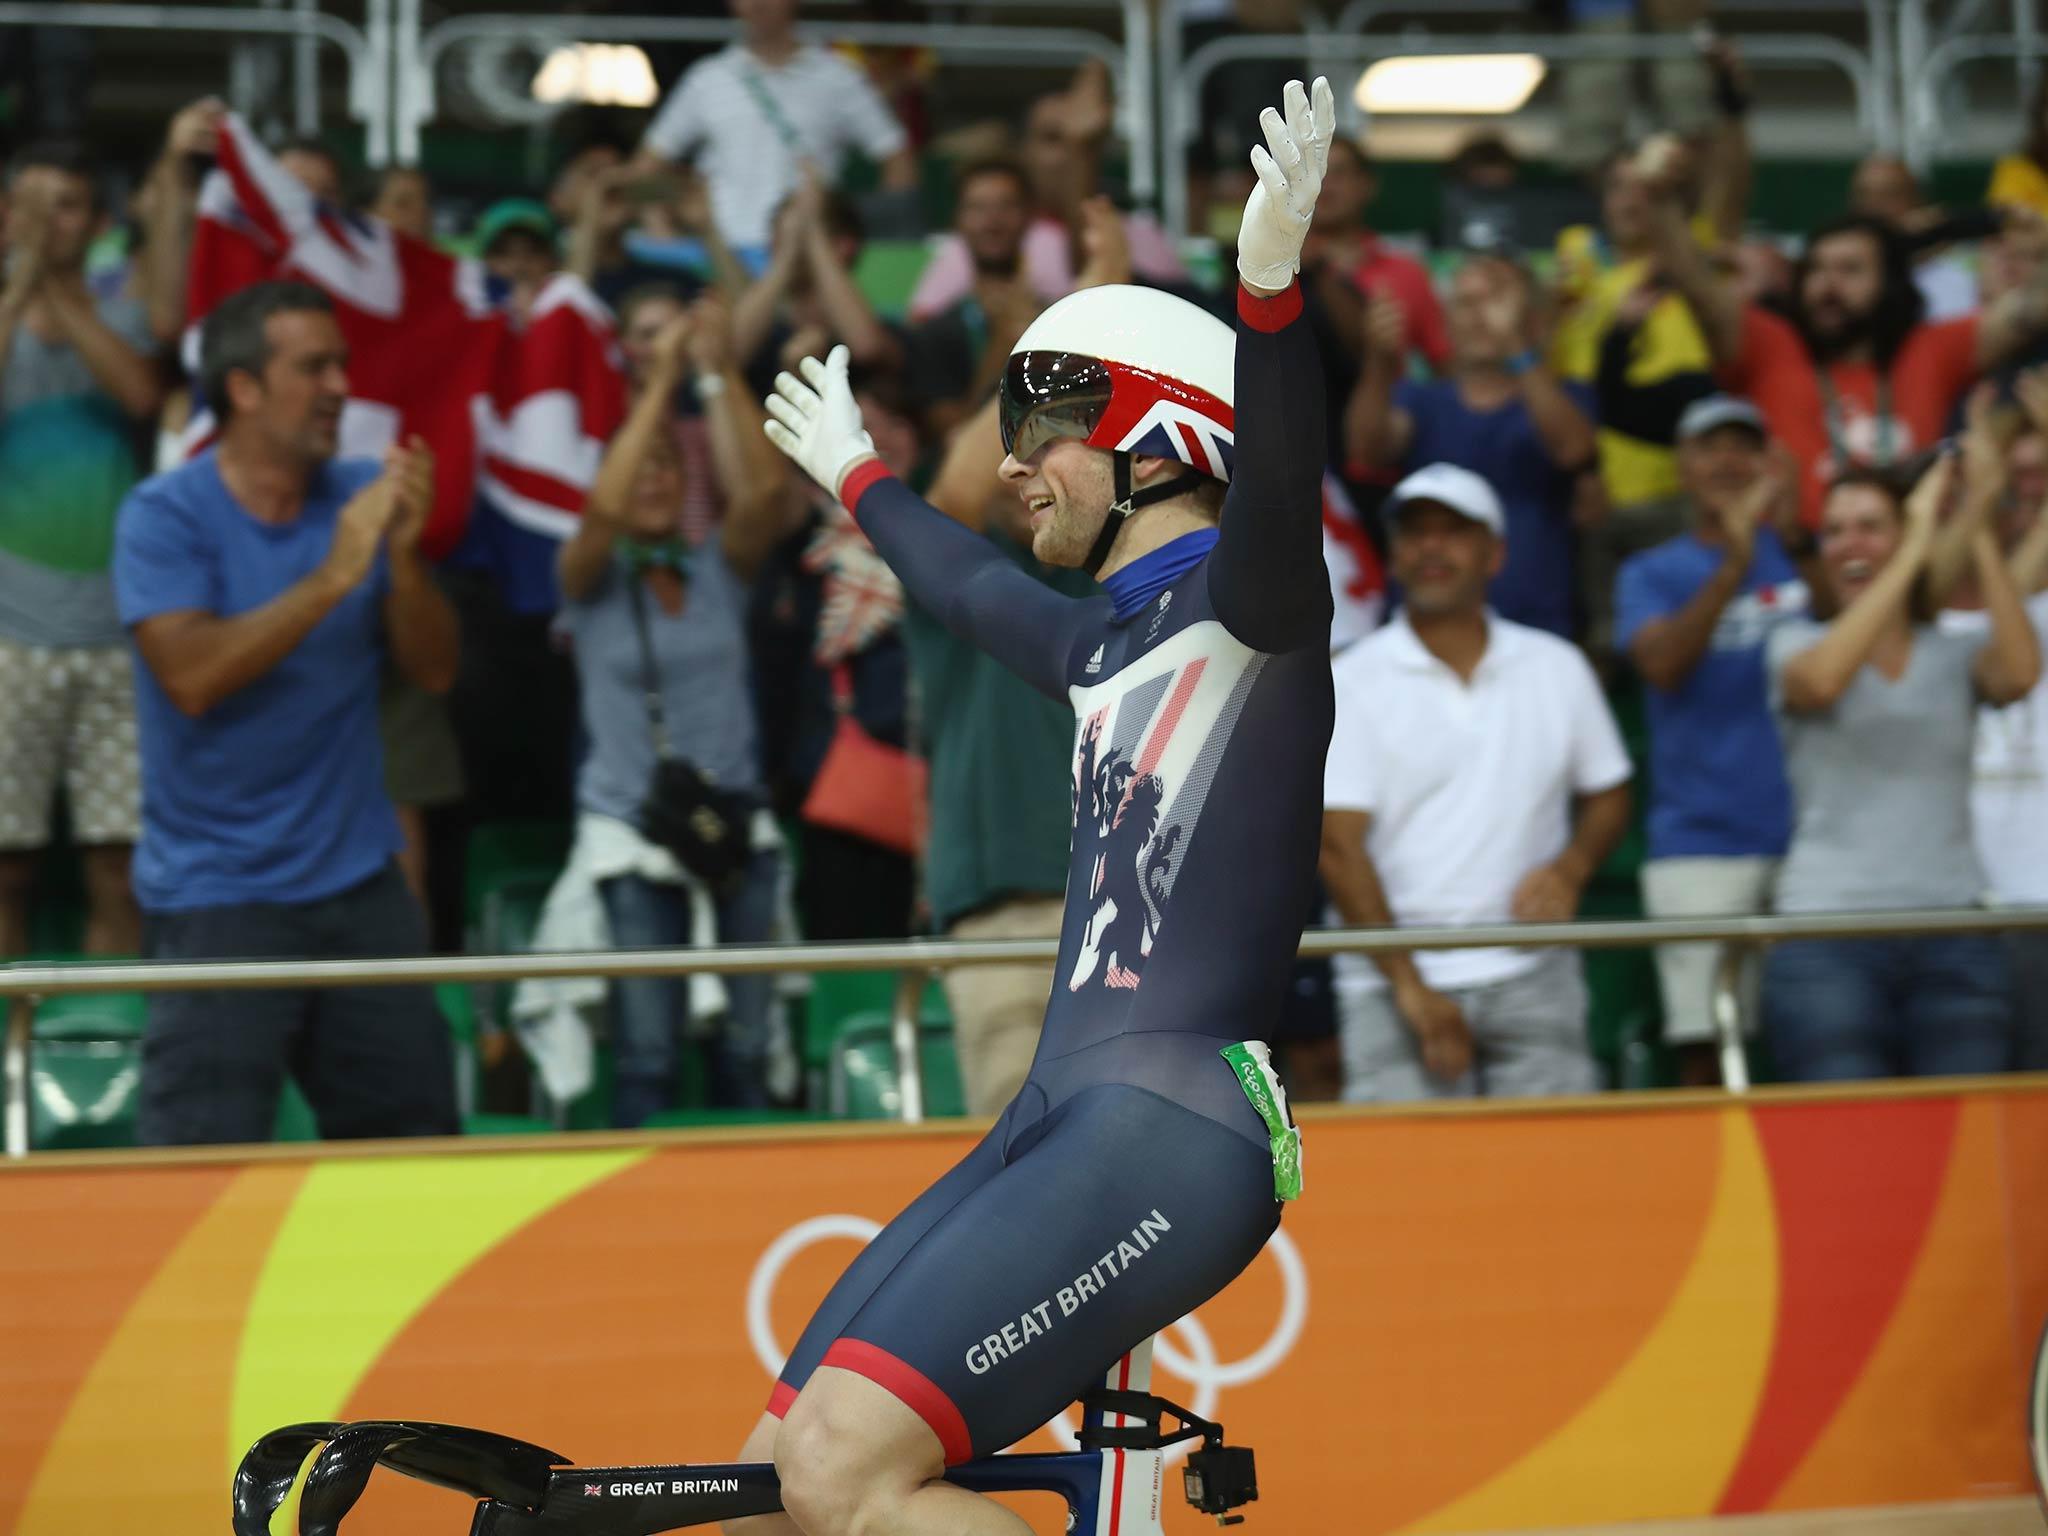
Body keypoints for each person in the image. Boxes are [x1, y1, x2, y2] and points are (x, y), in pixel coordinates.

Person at [737, 78, 1334, 1536]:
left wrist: (1267, 291)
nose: (1010, 462)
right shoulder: (1100, 645)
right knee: (764, 1484)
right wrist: (861, 477)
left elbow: (1288, 480)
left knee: (843, 1473)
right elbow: (965, 583)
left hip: (1173, 1123)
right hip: (1065, 1114)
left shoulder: (1252, 605)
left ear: (1162, 437)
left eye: (1044, 421)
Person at [112, 281, 460, 1144]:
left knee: (419, 1167)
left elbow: (436, 670)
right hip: (219, 894)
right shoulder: (163, 515)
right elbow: (192, 676)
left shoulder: (359, 497)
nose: (341, 385)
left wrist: (405, 562)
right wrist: (336, 574)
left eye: (341, 362)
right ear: (243, 389)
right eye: (314, 367)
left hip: (360, 884)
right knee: (199, 1180)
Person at [1321, 463, 1633, 1101]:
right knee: (1409, 1189)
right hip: (1389, 981)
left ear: (1497, 554)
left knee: (1555, 1179)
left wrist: (1571, 868)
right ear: (1395, 553)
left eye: (1453, 532)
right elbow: (1336, 848)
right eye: (1414, 533)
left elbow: (1610, 792)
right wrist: (1410, 987)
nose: (1431, 547)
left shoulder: (1557, 666)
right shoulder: (1351, 680)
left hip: (1533, 966)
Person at [556, 296, 792, 1121]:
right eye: (639, 464)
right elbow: (605, 512)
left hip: (733, 832)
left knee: (750, 1052)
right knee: (648, 1056)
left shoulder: (715, 567)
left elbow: (764, 497)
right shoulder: (586, 577)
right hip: (633, 834)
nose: (653, 477)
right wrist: (655, 388)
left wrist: (713, 370)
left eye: (669, 465)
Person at [1762, 452, 2040, 1081]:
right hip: (1827, 938)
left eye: (1869, 526)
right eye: (1834, 530)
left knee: (1966, 1153)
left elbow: (2021, 673)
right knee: (1851, 1145)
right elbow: (1825, 682)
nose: (1847, 544)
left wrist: (1979, 528)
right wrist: (1914, 545)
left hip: (1954, 936)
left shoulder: (1955, 652)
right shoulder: (1795, 644)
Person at [1615, 398, 1817, 1086]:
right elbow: (1661, 665)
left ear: (1769, 464)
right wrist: (1734, 563)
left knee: (1820, 1038)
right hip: (1699, 843)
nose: (1728, 462)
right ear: (1682, 466)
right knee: (1705, 1049)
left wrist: (1793, 538)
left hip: (1817, 844)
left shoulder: (1804, 557)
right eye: (1710, 446)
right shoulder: (1649, 573)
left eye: (1743, 447)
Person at [0, 141, 164, 960]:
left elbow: (140, 392)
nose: (48, 222)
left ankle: (114, 1052)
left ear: (96, 223)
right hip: (9, 636)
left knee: (119, 863)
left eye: (66, 206)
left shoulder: (123, 314)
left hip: (111, 633)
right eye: (31, 205)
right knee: (7, 867)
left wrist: (58, 293)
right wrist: (21, 283)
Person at [1659, 189, 2048, 523]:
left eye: (1850, 270)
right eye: (1815, 269)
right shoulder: (1772, 345)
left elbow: (2031, 311)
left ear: (1890, 283)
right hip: (1794, 571)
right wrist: (1662, 200)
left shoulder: (1930, 349)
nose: (1827, 285)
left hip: (1911, 564)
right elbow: (1697, 289)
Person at [1345, 251, 1598, 637]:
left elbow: (1573, 450)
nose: (1481, 315)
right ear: (1445, 323)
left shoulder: (1566, 396)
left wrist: (1515, 344)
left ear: (1533, 318)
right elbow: (1368, 450)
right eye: (1465, 303)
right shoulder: (1420, 399)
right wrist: (1379, 363)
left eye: (1496, 299)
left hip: (1534, 627)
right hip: (1422, 626)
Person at [632, 0, 915, 259]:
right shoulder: (707, 78)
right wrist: (661, 230)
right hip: (720, 256)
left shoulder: (839, 75)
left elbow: (897, 158)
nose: (758, 4)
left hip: (809, 258)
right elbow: (646, 166)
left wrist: (866, 238)